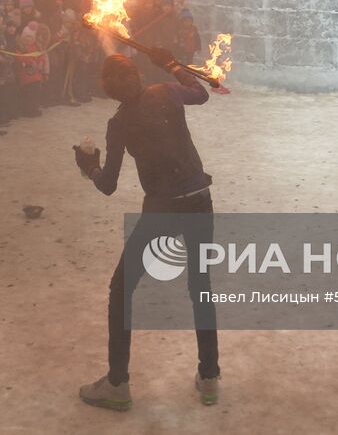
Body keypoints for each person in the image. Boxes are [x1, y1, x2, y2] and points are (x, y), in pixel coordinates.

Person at [75, 50, 220, 411]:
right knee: (200, 285)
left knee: (121, 289)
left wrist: (88, 166)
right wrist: (171, 65)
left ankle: (117, 383)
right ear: (138, 75)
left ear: (109, 90)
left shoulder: (119, 123)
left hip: (164, 209)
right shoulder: (165, 91)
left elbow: (107, 184)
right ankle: (210, 376)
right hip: (199, 198)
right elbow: (201, 92)